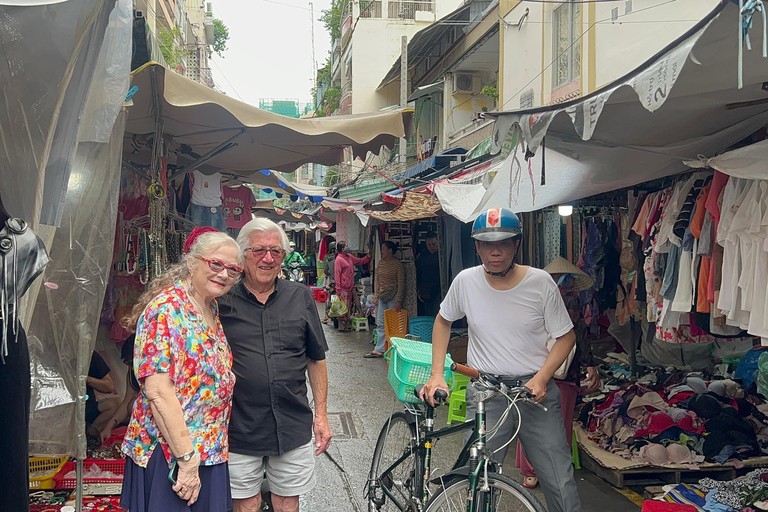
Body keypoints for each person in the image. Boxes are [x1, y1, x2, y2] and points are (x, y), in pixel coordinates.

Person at [421, 207, 582, 512]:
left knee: (559, 479)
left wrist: (543, 376)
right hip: (486, 393)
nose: (496, 252)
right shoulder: (465, 282)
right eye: (488, 244)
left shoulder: (540, 283)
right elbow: (443, 321)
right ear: (477, 246)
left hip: (534, 394)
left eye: (504, 243)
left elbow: (566, 337)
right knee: (479, 477)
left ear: (516, 244)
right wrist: (437, 373)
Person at [120, 229, 243, 511]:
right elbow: (158, 392)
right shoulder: (166, 309)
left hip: (208, 448)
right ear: (191, 262)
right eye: (216, 264)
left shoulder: (208, 307)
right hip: (172, 454)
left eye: (233, 270)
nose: (224, 274)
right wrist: (186, 460)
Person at [218, 218, 332, 512]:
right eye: (258, 250)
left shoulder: (300, 296)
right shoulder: (222, 300)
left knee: (287, 503)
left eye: (276, 252)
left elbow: (316, 358)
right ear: (242, 254)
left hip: (292, 424)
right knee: (245, 504)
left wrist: (321, 415)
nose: (267, 259)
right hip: (238, 426)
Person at [515, 256, 600, 489]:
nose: (569, 284)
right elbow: (578, 334)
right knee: (556, 421)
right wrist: (590, 364)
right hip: (561, 372)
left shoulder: (531, 297)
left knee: (529, 419)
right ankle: (550, 470)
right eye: (568, 279)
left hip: (531, 367)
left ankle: (530, 472)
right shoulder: (569, 301)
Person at [364, 241, 405, 358]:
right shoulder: (381, 263)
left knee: (392, 324)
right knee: (381, 323)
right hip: (382, 296)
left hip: (393, 295)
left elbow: (401, 284)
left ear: (390, 250)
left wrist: (398, 300)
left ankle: (392, 348)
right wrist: (376, 296)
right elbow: (378, 281)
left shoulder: (398, 265)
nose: (381, 251)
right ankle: (379, 349)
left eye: (383, 248)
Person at [99, 334, 140, 443]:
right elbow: (126, 402)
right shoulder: (131, 374)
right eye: (128, 364)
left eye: (132, 363)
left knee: (134, 404)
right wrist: (109, 427)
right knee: (131, 404)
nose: (131, 369)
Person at [333, 241, 371, 332]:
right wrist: (338, 288)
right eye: (346, 246)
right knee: (342, 307)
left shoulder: (349, 257)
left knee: (348, 306)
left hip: (349, 286)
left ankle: (346, 324)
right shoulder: (338, 260)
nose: (348, 247)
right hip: (342, 287)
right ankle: (341, 325)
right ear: (342, 249)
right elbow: (337, 274)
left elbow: (359, 261)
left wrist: (368, 256)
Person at [85, 351, 117, 446]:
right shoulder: (51, 354)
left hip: (87, 408)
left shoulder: (89, 354)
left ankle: (90, 435)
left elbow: (109, 386)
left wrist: (86, 379)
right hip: (61, 410)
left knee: (117, 402)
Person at [416, 232, 441, 317]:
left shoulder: (442, 255)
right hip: (426, 290)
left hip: (439, 289)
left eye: (434, 244)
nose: (431, 247)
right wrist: (418, 289)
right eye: (429, 244)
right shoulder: (423, 255)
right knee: (428, 314)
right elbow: (419, 272)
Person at [321, 242, 336, 324]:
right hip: (338, 281)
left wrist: (329, 275)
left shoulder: (327, 258)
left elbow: (325, 271)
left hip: (330, 281)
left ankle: (326, 316)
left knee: (328, 298)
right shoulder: (339, 258)